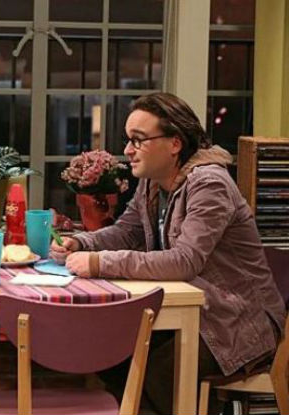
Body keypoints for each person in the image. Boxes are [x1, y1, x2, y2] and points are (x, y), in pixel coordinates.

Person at [50, 92, 286, 414]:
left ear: (174, 143)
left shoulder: (209, 185)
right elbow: (127, 231)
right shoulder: (153, 182)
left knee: (156, 376)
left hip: (236, 322)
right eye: (128, 140)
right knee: (111, 355)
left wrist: (99, 262)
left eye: (138, 140)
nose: (128, 150)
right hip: (195, 313)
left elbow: (185, 261)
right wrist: (81, 243)